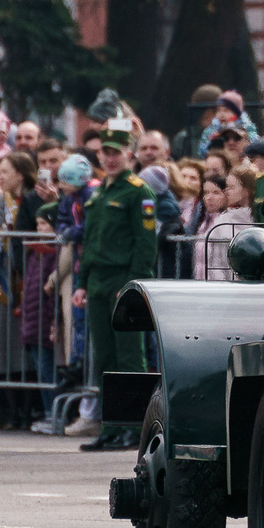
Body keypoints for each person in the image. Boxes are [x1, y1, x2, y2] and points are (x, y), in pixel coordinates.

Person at [72, 118, 162, 451]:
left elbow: (145, 245)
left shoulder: (138, 192)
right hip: (97, 282)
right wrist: (81, 283)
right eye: (105, 152)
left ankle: (134, 426)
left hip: (123, 280)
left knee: (130, 359)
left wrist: (132, 285)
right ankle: (110, 427)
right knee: (105, 359)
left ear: (128, 153)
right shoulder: (100, 193)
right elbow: (90, 243)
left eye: (116, 152)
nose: (110, 158)